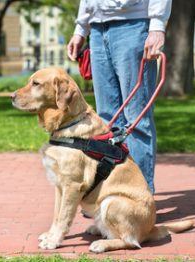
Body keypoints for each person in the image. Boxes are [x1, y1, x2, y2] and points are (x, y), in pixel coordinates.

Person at [67, 0, 172, 193]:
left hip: (133, 24)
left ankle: (139, 198)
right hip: (97, 29)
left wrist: (157, 26)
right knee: (107, 122)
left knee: (137, 120)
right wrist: (80, 28)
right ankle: (112, 194)